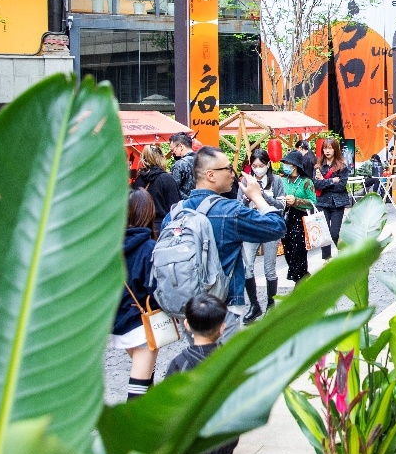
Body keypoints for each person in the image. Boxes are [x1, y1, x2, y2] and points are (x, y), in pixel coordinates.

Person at [160, 147, 286, 307]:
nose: (233, 174)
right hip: (224, 305)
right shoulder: (230, 211)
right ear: (210, 175)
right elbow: (277, 226)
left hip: (184, 305)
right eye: (228, 168)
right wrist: (257, 196)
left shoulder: (174, 213)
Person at [163, 294, 238, 454]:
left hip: (191, 448)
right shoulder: (231, 361)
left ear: (186, 325)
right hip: (222, 444)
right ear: (222, 327)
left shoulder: (180, 364)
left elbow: (169, 409)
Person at [112, 189, 159, 399]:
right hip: (142, 325)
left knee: (147, 377)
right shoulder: (149, 248)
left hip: (118, 322)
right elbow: (155, 288)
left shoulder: (110, 247)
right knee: (138, 389)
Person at [237, 149, 285, 323]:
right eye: (254, 166)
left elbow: (281, 205)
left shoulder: (276, 180)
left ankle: (271, 305)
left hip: (270, 227)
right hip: (251, 227)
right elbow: (238, 206)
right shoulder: (245, 181)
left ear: (268, 164)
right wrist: (246, 198)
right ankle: (254, 305)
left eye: (261, 165)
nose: (258, 169)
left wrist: (261, 196)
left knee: (269, 268)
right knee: (247, 266)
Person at [279, 148, 318, 282]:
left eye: (287, 163)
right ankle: (303, 275)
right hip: (285, 217)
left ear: (294, 165)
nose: (285, 166)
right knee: (288, 248)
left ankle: (299, 280)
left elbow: (313, 202)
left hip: (301, 218)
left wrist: (297, 201)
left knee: (299, 250)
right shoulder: (282, 180)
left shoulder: (306, 182)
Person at [313, 137, 351, 263]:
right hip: (322, 202)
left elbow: (341, 186)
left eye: (330, 148)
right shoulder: (318, 166)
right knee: (324, 232)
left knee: (334, 232)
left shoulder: (342, 167)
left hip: (337, 203)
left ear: (335, 149)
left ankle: (342, 252)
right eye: (325, 148)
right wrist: (331, 181)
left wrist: (324, 181)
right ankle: (326, 259)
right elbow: (316, 184)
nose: (327, 151)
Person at [133, 144, 181, 235]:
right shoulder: (167, 179)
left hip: (142, 229)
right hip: (163, 229)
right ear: (161, 158)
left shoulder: (139, 180)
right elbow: (175, 208)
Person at [169, 132, 197, 198]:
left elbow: (173, 190)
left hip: (185, 203)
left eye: (173, 150)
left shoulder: (179, 164)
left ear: (180, 146)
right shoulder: (203, 160)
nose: (173, 153)